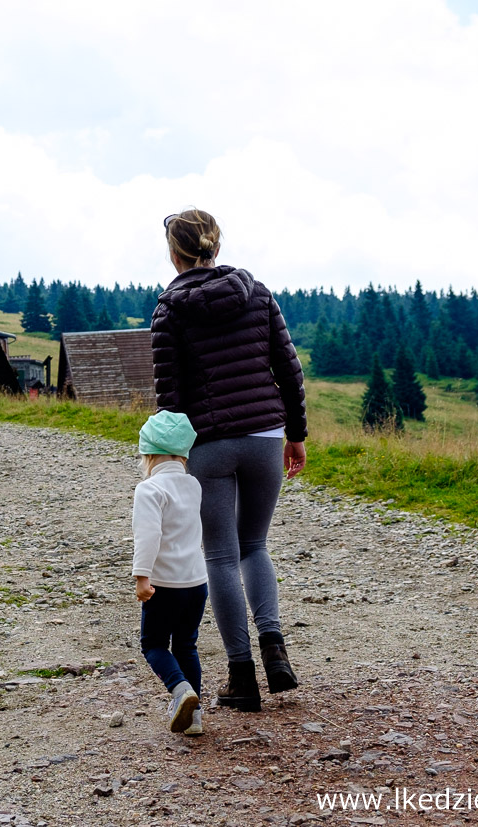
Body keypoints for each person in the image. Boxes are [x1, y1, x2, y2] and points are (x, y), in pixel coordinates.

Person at [151, 208, 307, 713]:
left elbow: (169, 398)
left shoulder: (169, 310)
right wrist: (296, 435)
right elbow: (288, 366)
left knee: (219, 555)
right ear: (216, 246)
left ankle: (242, 676)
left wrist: (170, 460)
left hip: (208, 443)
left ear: (175, 254)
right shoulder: (257, 293)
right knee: (254, 545)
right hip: (265, 436)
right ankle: (275, 649)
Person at [133, 410, 208, 736]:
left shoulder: (149, 489)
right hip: (196, 582)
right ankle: (194, 718)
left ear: (148, 453)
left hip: (165, 584)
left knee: (153, 644)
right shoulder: (193, 485)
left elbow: (148, 536)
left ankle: (180, 691)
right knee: (186, 646)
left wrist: (141, 577)